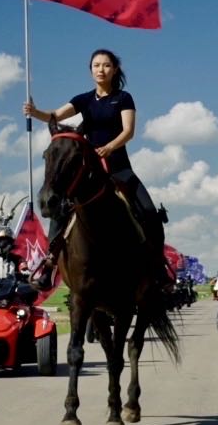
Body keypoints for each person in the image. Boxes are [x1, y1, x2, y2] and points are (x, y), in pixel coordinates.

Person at [23, 48, 168, 291]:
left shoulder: (123, 98)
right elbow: (55, 116)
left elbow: (128, 131)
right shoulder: (84, 100)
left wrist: (110, 147)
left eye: (106, 65)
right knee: (61, 209)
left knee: (150, 212)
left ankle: (158, 266)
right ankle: (49, 264)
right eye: (96, 65)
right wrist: (34, 112)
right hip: (90, 171)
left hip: (119, 167)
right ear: (91, 70)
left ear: (115, 70)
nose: (101, 69)